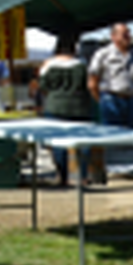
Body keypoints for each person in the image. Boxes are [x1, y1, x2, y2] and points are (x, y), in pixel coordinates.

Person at [37, 38, 94, 187]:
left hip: (55, 106)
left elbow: (43, 86)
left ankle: (62, 176)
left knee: (58, 143)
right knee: (83, 142)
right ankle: (82, 175)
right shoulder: (82, 65)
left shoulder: (48, 65)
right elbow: (88, 84)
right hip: (79, 106)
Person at [88, 23, 133, 127]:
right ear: (113, 36)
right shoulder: (103, 54)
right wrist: (101, 101)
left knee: (130, 136)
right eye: (124, 35)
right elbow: (92, 82)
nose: (128, 37)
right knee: (112, 136)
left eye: (129, 34)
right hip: (110, 99)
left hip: (130, 101)